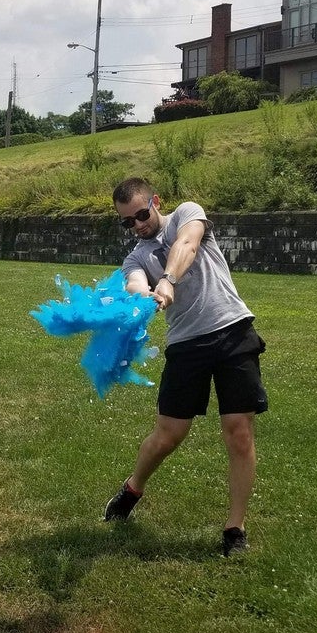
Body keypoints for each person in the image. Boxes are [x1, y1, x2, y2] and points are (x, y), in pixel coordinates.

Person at [104, 177, 268, 557]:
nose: (138, 225)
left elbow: (187, 244)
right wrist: (144, 292)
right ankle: (133, 488)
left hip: (233, 331)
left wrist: (169, 279)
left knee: (238, 431)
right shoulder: (136, 256)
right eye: (127, 222)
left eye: (141, 215)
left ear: (155, 202)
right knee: (168, 435)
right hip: (186, 345)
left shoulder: (187, 214)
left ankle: (235, 529)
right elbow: (132, 281)